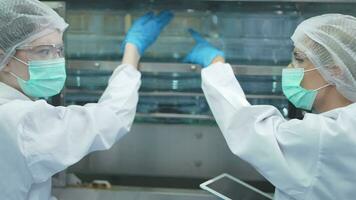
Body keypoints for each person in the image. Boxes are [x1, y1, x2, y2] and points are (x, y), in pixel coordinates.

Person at [0, 0, 173, 199]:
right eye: (43, 51)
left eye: (59, 51)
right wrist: (133, 50)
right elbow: (111, 118)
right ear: (4, 60)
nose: (55, 61)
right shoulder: (20, 119)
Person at [184, 14, 356, 200]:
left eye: (299, 59)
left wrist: (215, 64)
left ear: (335, 70)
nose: (290, 68)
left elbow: (244, 127)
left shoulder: (325, 137)